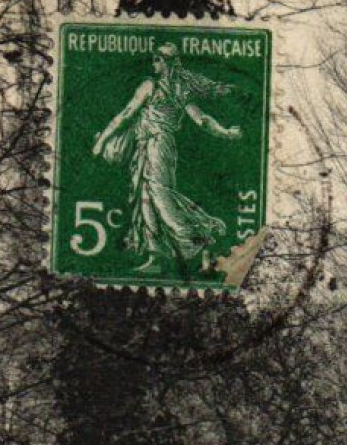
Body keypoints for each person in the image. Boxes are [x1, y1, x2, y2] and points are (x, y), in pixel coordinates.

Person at [91, 43, 242, 275]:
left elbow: (126, 114)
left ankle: (195, 235)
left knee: (159, 194)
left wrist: (102, 141)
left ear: (167, 62)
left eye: (157, 59)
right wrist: (226, 133)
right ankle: (156, 257)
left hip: (158, 144)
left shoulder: (152, 86)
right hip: (146, 146)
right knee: (145, 198)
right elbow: (201, 119)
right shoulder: (179, 89)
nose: (154, 63)